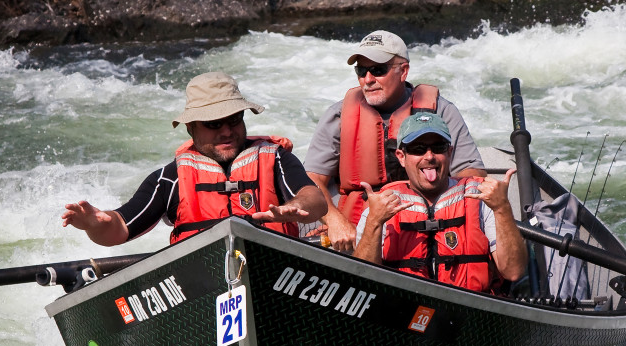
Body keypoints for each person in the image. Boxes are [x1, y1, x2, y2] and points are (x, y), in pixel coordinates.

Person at [62, 72, 327, 246]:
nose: (226, 131)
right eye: (213, 123)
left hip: (272, 266)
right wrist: (95, 225)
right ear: (191, 128)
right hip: (201, 281)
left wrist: (295, 208)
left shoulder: (275, 158)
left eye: (234, 119)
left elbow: (314, 201)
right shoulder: (170, 178)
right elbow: (119, 228)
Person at [304, 29, 487, 251]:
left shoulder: (441, 111)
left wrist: (433, 211)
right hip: (358, 232)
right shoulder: (338, 115)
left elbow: (472, 175)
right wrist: (334, 221)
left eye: (378, 70)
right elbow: (311, 180)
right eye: (361, 71)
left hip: (424, 229)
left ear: (403, 71)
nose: (368, 80)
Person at [353, 113, 526, 293]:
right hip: (401, 308)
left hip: (470, 309)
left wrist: (502, 208)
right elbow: (361, 282)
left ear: (449, 153)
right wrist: (374, 221)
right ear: (401, 157)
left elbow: (514, 272)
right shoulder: (380, 206)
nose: (429, 156)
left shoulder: (482, 198)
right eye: (418, 149)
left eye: (438, 147)